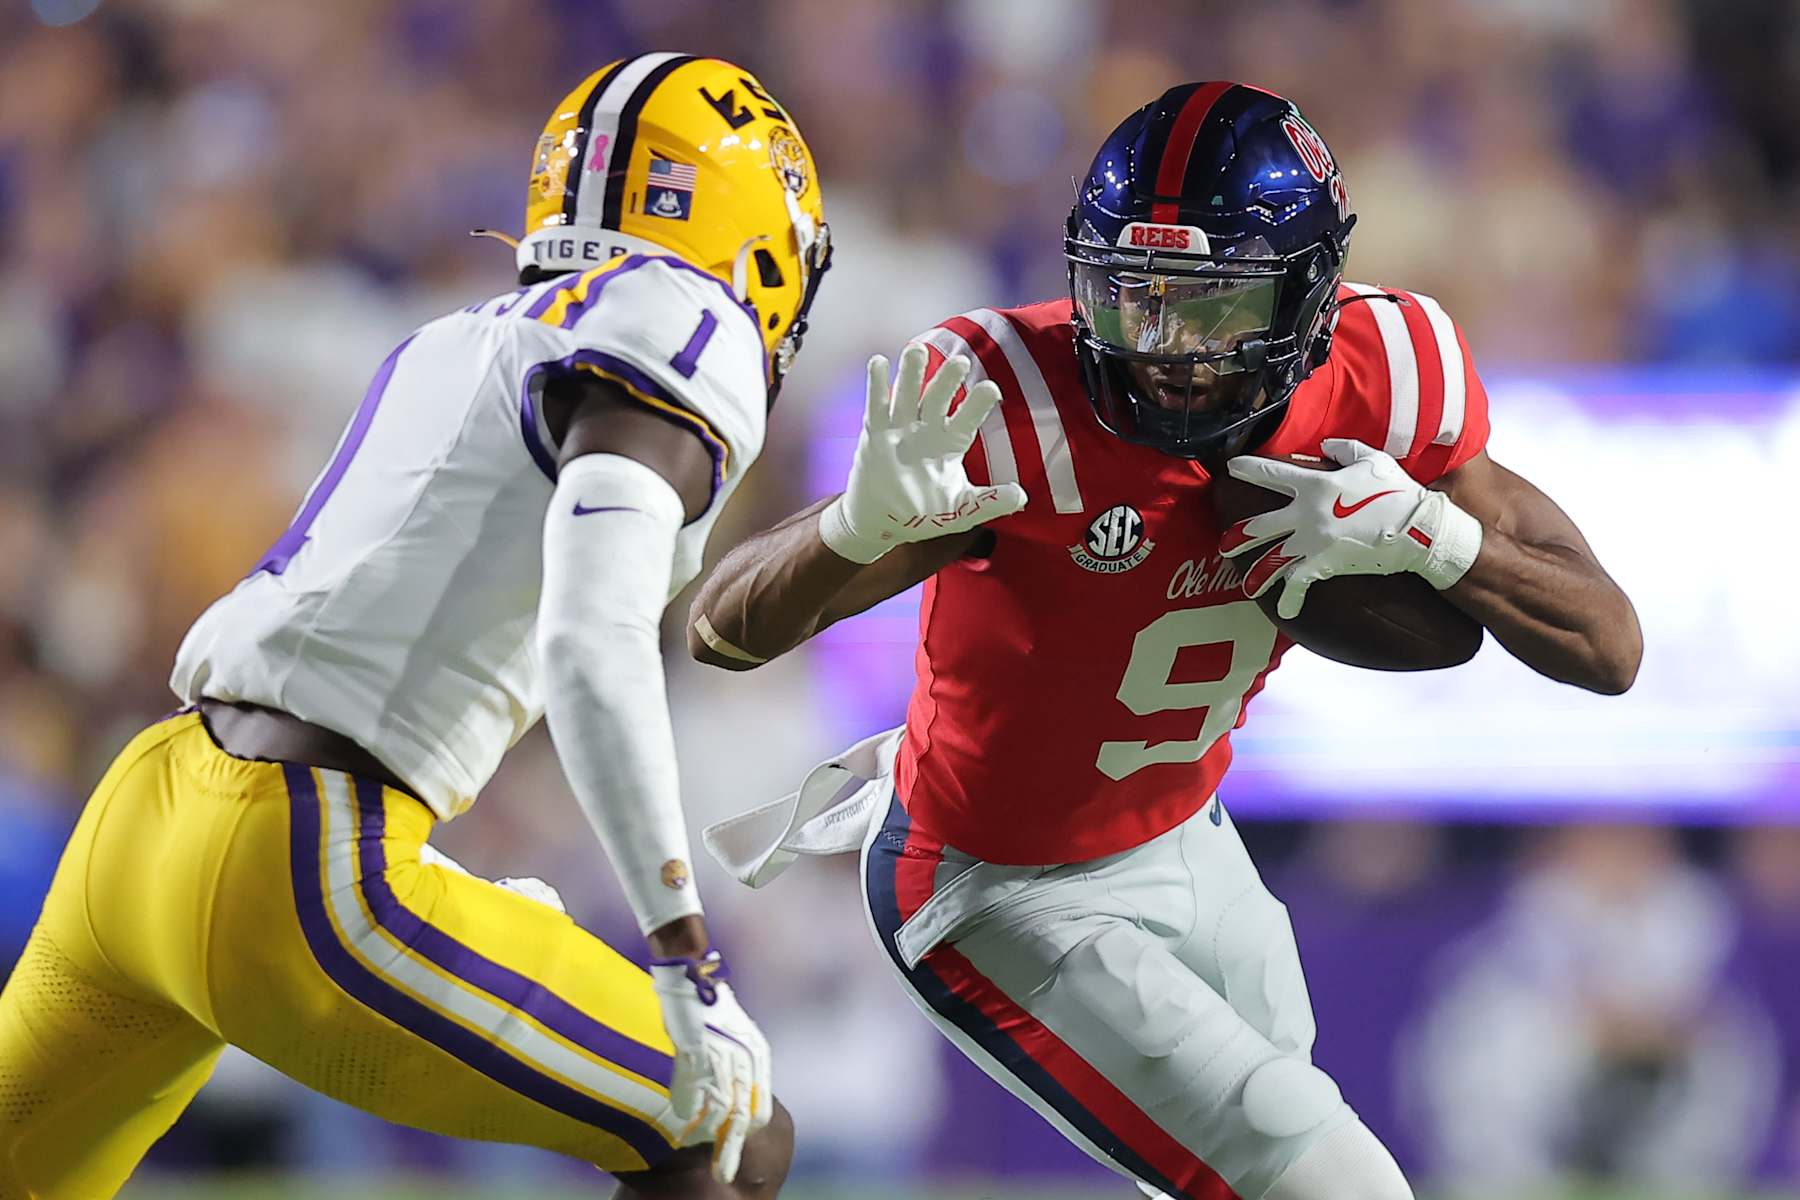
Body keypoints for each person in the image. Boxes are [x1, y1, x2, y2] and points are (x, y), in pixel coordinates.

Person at [688, 82, 1641, 1200]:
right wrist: (854, 529)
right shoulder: (1012, 404)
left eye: (1214, 308)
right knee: (1331, 1178)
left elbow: (1607, 647)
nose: (1165, 348)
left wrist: (1435, 537)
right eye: (1131, 296)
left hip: (1184, 829)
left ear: (1311, 299)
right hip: (992, 882)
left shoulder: (1387, 375)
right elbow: (720, 630)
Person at [0, 53, 830, 1200]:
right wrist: (683, 956)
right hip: (299, 869)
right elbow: (590, 649)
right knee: (730, 1137)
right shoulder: (686, 324)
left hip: (143, 814)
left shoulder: (467, 337)